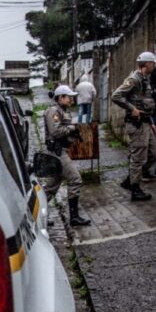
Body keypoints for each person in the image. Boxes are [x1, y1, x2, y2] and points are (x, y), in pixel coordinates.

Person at [111, 52, 156, 201]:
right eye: (153, 63)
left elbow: (145, 103)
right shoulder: (133, 79)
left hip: (146, 122)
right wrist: (132, 109)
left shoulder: (145, 80)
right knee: (138, 158)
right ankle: (135, 189)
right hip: (136, 124)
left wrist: (151, 122)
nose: (154, 65)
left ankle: (130, 180)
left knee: (153, 154)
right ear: (147, 64)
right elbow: (116, 96)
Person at [43, 84, 91, 227]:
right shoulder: (54, 111)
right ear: (60, 98)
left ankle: (34, 215)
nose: (71, 100)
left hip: (59, 151)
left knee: (51, 188)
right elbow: (55, 132)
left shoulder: (62, 111)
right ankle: (74, 217)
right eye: (68, 97)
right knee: (75, 179)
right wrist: (71, 128)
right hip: (57, 153)